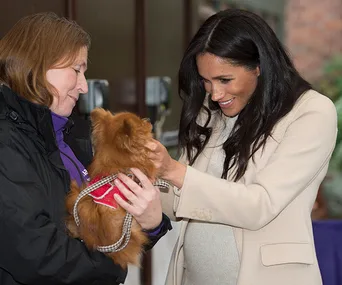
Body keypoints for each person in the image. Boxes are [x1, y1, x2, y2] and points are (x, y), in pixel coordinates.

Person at [130, 8, 337, 285]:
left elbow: (259, 204)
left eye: (225, 80)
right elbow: (181, 198)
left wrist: (174, 171)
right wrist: (145, 182)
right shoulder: (213, 107)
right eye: (206, 81)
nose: (215, 94)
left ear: (259, 66)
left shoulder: (311, 112)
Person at [0, 12, 171, 285]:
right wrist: (114, 265)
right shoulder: (7, 143)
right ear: (39, 64)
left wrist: (151, 224)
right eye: (76, 70)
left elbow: (103, 228)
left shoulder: (71, 136)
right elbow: (37, 255)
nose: (82, 86)